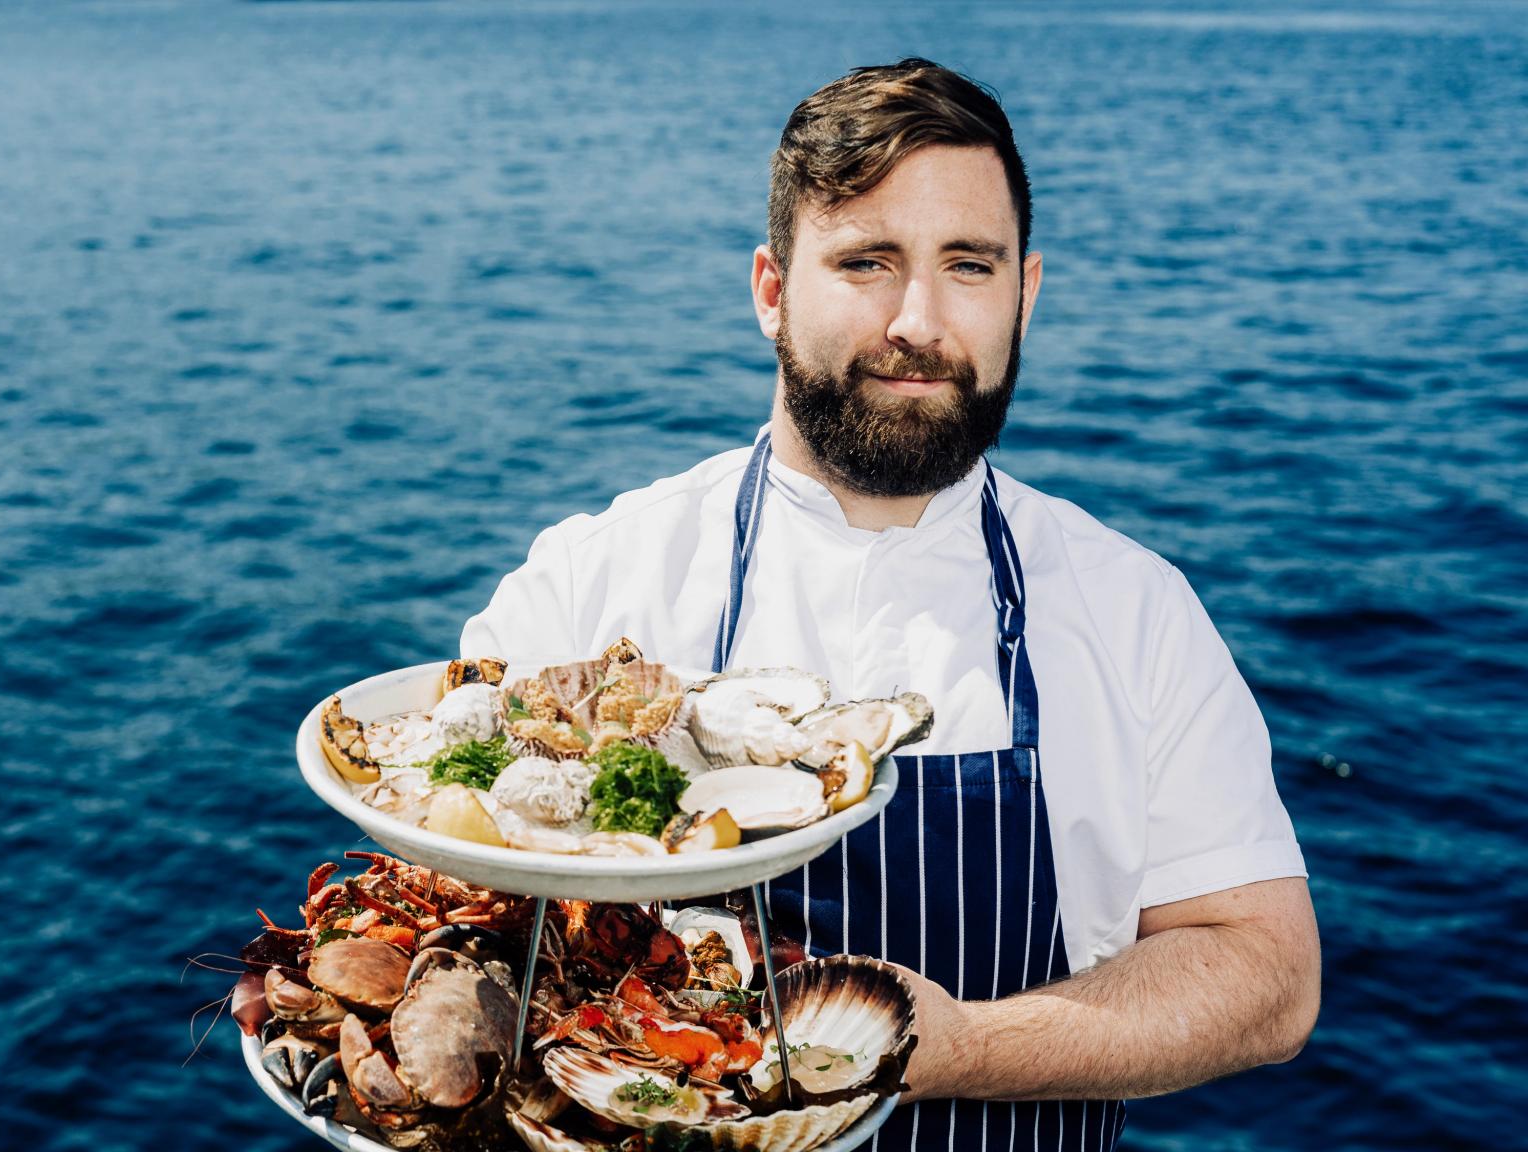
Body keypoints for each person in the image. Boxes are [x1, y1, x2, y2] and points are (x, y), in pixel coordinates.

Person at [461, 58, 1319, 1150]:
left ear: (1026, 291)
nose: (919, 319)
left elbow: (1265, 973)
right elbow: (455, 919)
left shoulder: (1131, 609)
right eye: (865, 261)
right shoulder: (589, 583)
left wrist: (963, 1049)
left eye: (969, 265)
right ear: (771, 290)